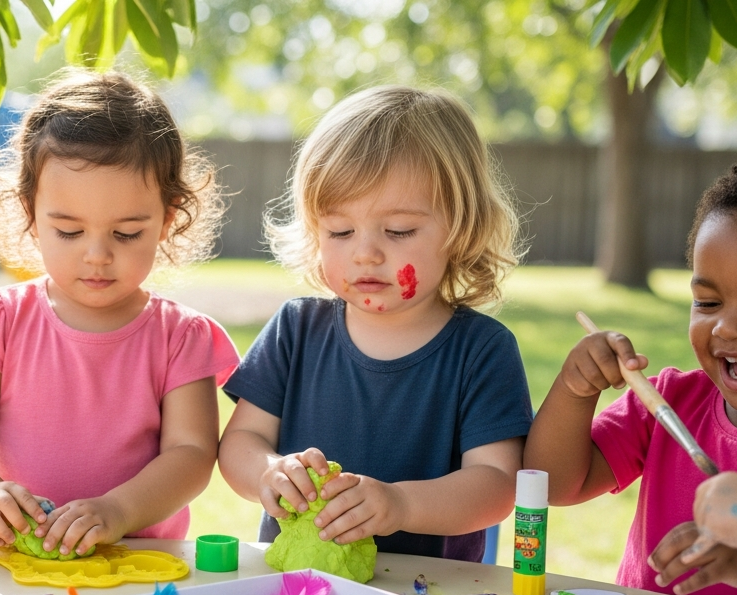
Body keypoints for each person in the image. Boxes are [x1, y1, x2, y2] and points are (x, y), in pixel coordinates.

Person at [0, 71, 239, 557]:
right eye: (70, 232)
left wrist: (118, 510)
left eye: (127, 233)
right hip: (21, 562)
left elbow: (192, 455)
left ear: (169, 217)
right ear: (31, 211)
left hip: (140, 563)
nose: (97, 255)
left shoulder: (180, 337)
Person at [218, 86, 531, 562]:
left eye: (399, 230)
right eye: (340, 231)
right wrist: (269, 471)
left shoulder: (482, 350)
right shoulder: (296, 330)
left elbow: (496, 484)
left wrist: (400, 504)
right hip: (300, 584)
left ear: (462, 226)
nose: (365, 252)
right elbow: (241, 442)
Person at [525, 142, 737, 595]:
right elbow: (555, 484)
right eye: (707, 303)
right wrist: (576, 389)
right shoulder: (670, 401)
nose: (726, 329)